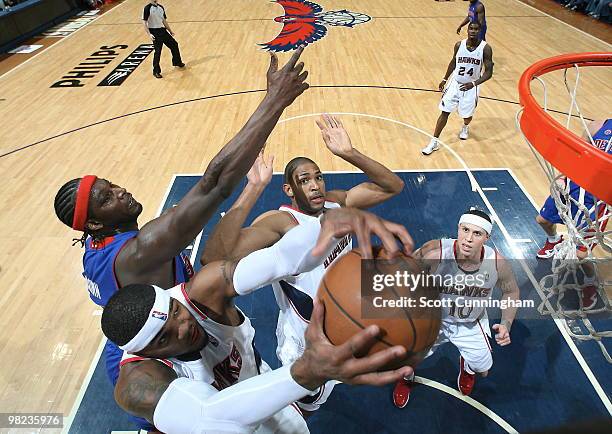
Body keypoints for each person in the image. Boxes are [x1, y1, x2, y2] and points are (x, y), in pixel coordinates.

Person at [53, 48, 309, 431]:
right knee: (218, 420)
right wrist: (274, 100)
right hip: (166, 349)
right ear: (92, 224)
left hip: (157, 330)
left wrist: (253, 189)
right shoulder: (136, 254)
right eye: (107, 198)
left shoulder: (98, 250)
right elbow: (215, 183)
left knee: (242, 368)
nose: (121, 192)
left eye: (111, 185)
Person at [102, 207, 415, 432]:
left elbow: (281, 258)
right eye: (165, 337)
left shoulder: (203, 291)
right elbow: (213, 418)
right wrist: (305, 372)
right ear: (147, 353)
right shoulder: (138, 384)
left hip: (259, 385)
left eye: (176, 311)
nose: (184, 327)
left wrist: (330, 224)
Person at [200, 114, 406, 412]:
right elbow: (214, 260)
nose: (315, 186)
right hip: (307, 336)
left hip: (350, 321)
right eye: (304, 180)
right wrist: (254, 187)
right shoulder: (279, 223)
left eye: (319, 177)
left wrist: (350, 153)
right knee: (307, 405)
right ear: (289, 190)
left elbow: (393, 186)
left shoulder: (337, 203)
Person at [393, 209, 521, 407]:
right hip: (432, 319)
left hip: (469, 323)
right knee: (407, 358)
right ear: (458, 229)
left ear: (487, 237)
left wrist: (506, 323)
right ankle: (406, 379)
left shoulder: (496, 263)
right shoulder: (434, 252)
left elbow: (511, 291)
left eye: (477, 234)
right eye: (465, 230)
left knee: (483, 370)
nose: (468, 239)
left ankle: (468, 367)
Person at [535, 119, 611, 310]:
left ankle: (590, 282)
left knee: (579, 254)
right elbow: (577, 154)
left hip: (597, 200)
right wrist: (562, 175)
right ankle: (553, 240)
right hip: (573, 186)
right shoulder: (599, 125)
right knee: (542, 220)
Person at [422, 21, 493, 155]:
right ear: (467, 30)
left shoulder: (485, 48)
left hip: (472, 86)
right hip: (455, 84)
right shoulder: (459, 45)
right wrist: (445, 78)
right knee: (444, 111)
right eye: (471, 28)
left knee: (467, 115)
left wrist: (473, 84)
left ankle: (465, 127)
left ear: (480, 31)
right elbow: (454, 61)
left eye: (476, 29)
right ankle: (434, 141)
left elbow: (489, 72)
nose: (473, 31)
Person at [142, 0, 185, 78]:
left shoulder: (161, 7)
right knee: (158, 51)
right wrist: (149, 34)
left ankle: (177, 62)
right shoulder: (147, 8)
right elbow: (144, 22)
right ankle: (156, 71)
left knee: (174, 45)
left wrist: (170, 31)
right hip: (154, 31)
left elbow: (164, 20)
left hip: (162, 30)